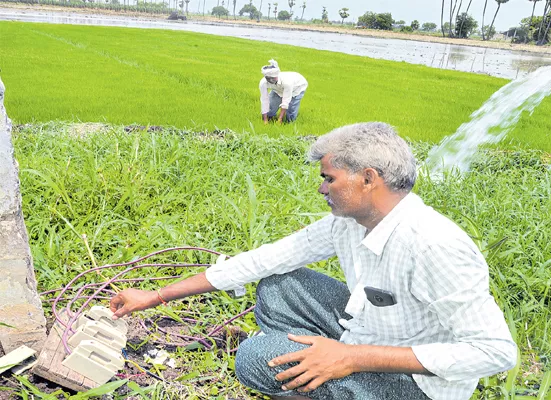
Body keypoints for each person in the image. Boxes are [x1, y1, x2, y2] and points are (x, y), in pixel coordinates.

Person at [110, 122, 517, 400]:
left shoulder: (433, 245)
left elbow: (495, 352)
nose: (322, 188)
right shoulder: (351, 222)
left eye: (329, 178)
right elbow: (268, 258)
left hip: (417, 383)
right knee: (278, 285)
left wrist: (350, 358)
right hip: (372, 333)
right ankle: (321, 369)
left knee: (253, 359)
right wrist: (157, 295)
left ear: (368, 178)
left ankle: (327, 374)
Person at [259, 59, 308, 124]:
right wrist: (265, 120)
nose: (270, 80)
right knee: (270, 109)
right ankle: (269, 118)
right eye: (268, 78)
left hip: (297, 88)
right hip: (277, 89)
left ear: (276, 76)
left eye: (273, 78)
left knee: (291, 112)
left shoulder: (287, 82)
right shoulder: (263, 83)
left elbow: (286, 101)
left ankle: (288, 122)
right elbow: (264, 100)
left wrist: (280, 119)